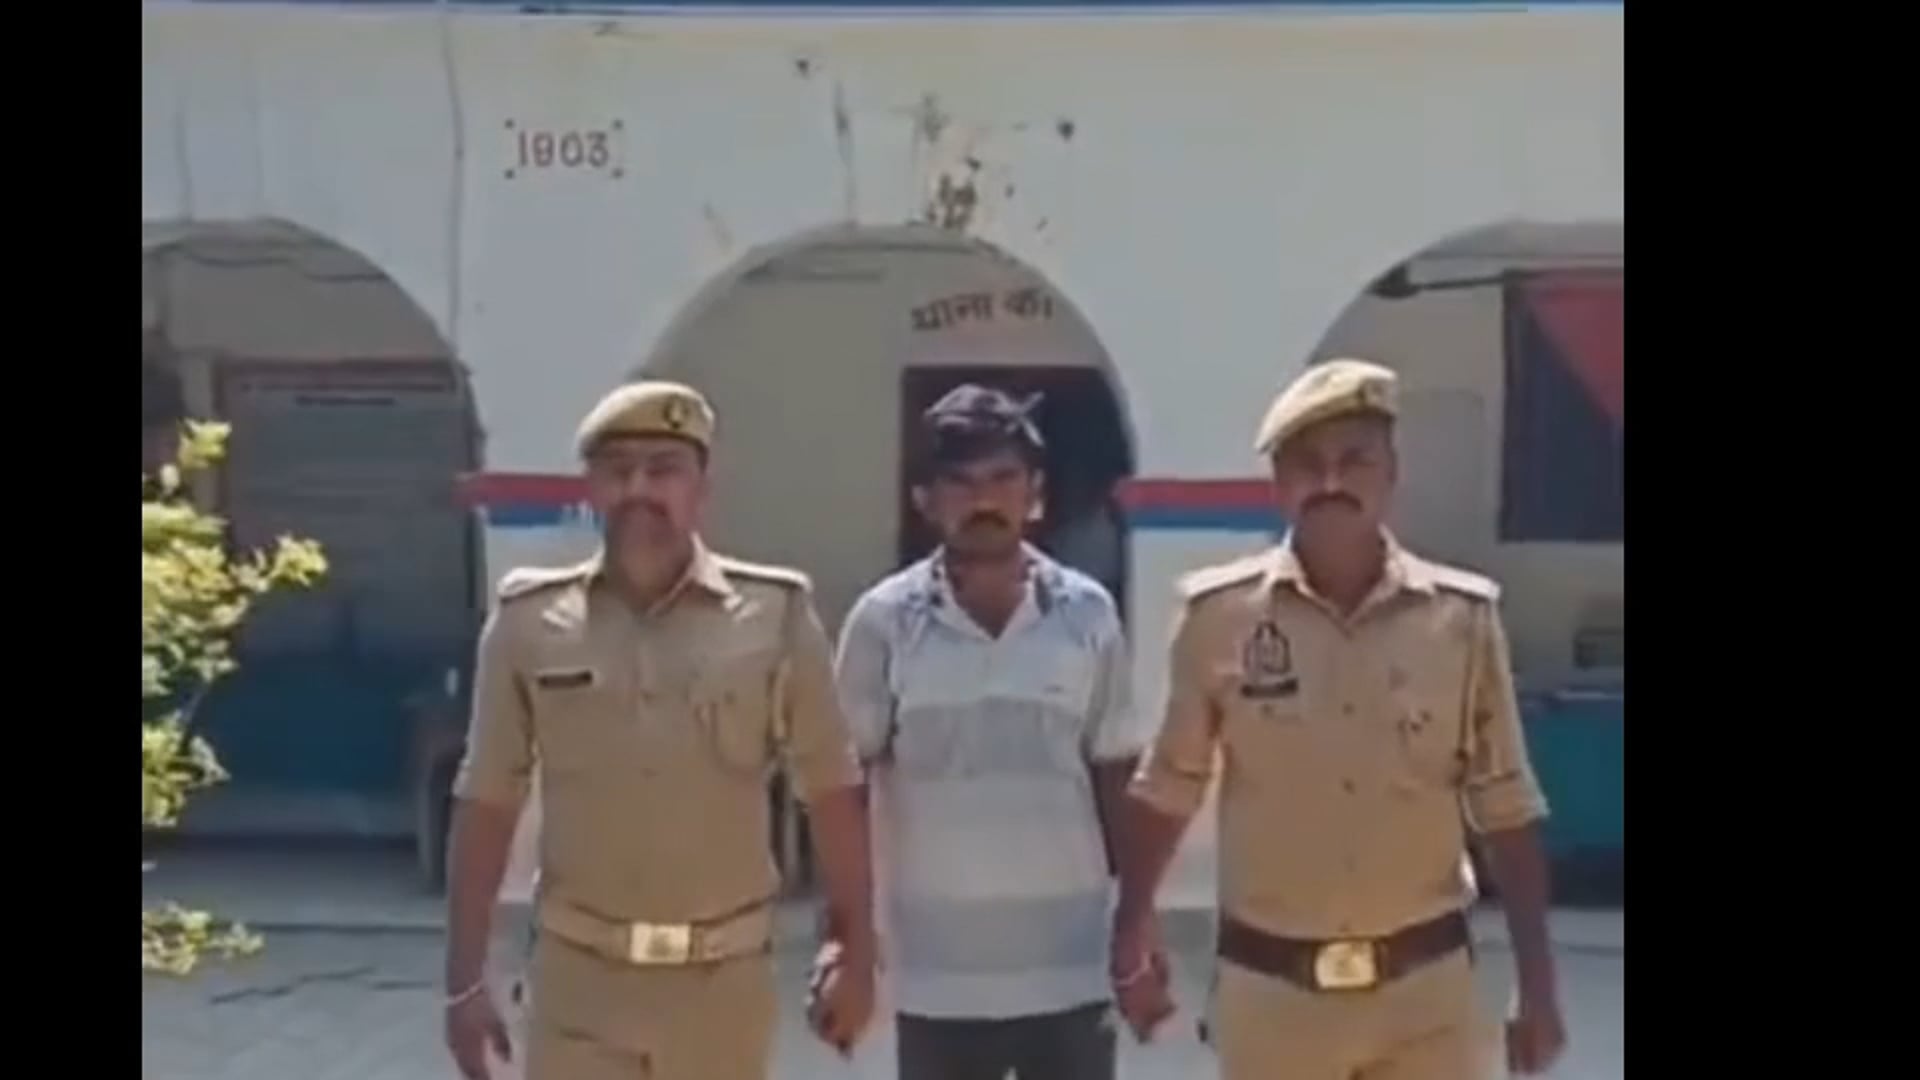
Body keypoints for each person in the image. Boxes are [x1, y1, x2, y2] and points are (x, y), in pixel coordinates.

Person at [1111, 359, 1568, 1079]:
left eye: (1355, 460)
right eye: (1306, 464)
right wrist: (1132, 928)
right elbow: (1169, 786)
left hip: (1426, 998)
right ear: (1277, 483)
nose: (1330, 482)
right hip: (1273, 997)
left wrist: (1538, 988)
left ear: (1392, 474)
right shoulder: (1218, 617)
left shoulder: (1461, 621)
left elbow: (1505, 805)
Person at [440, 380, 879, 1080]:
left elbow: (831, 788)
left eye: (663, 469)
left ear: (702, 488)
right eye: (618, 471)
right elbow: (488, 798)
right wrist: (464, 982)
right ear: (591, 488)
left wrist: (855, 950)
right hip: (579, 987)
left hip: (721, 989)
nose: (639, 489)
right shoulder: (529, 622)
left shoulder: (775, 616)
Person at [825, 384, 1155, 1080]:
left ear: (1035, 493)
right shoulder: (882, 623)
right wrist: (852, 942)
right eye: (961, 481)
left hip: (1070, 971)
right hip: (936, 980)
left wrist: (1137, 924)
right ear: (925, 498)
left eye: (1003, 477)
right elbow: (841, 790)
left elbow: (1118, 773)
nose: (984, 499)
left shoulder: (1087, 615)